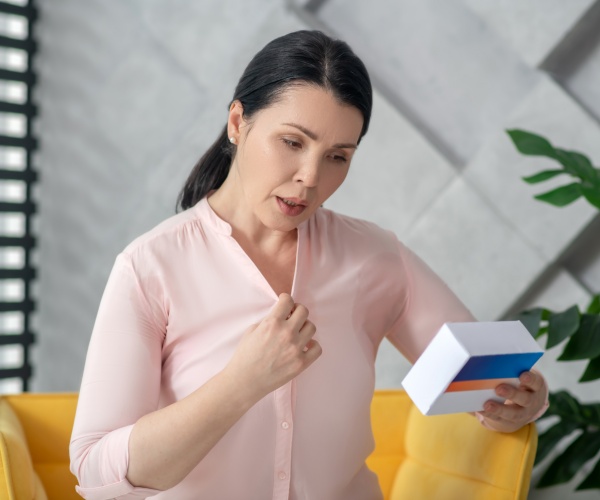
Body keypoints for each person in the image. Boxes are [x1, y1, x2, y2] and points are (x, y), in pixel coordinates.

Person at [69, 30, 548, 500]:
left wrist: (523, 401)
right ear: (238, 122)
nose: (310, 178)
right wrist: (241, 383)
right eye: (293, 143)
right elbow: (94, 474)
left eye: (338, 157)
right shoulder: (151, 267)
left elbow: (489, 378)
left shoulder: (375, 257)